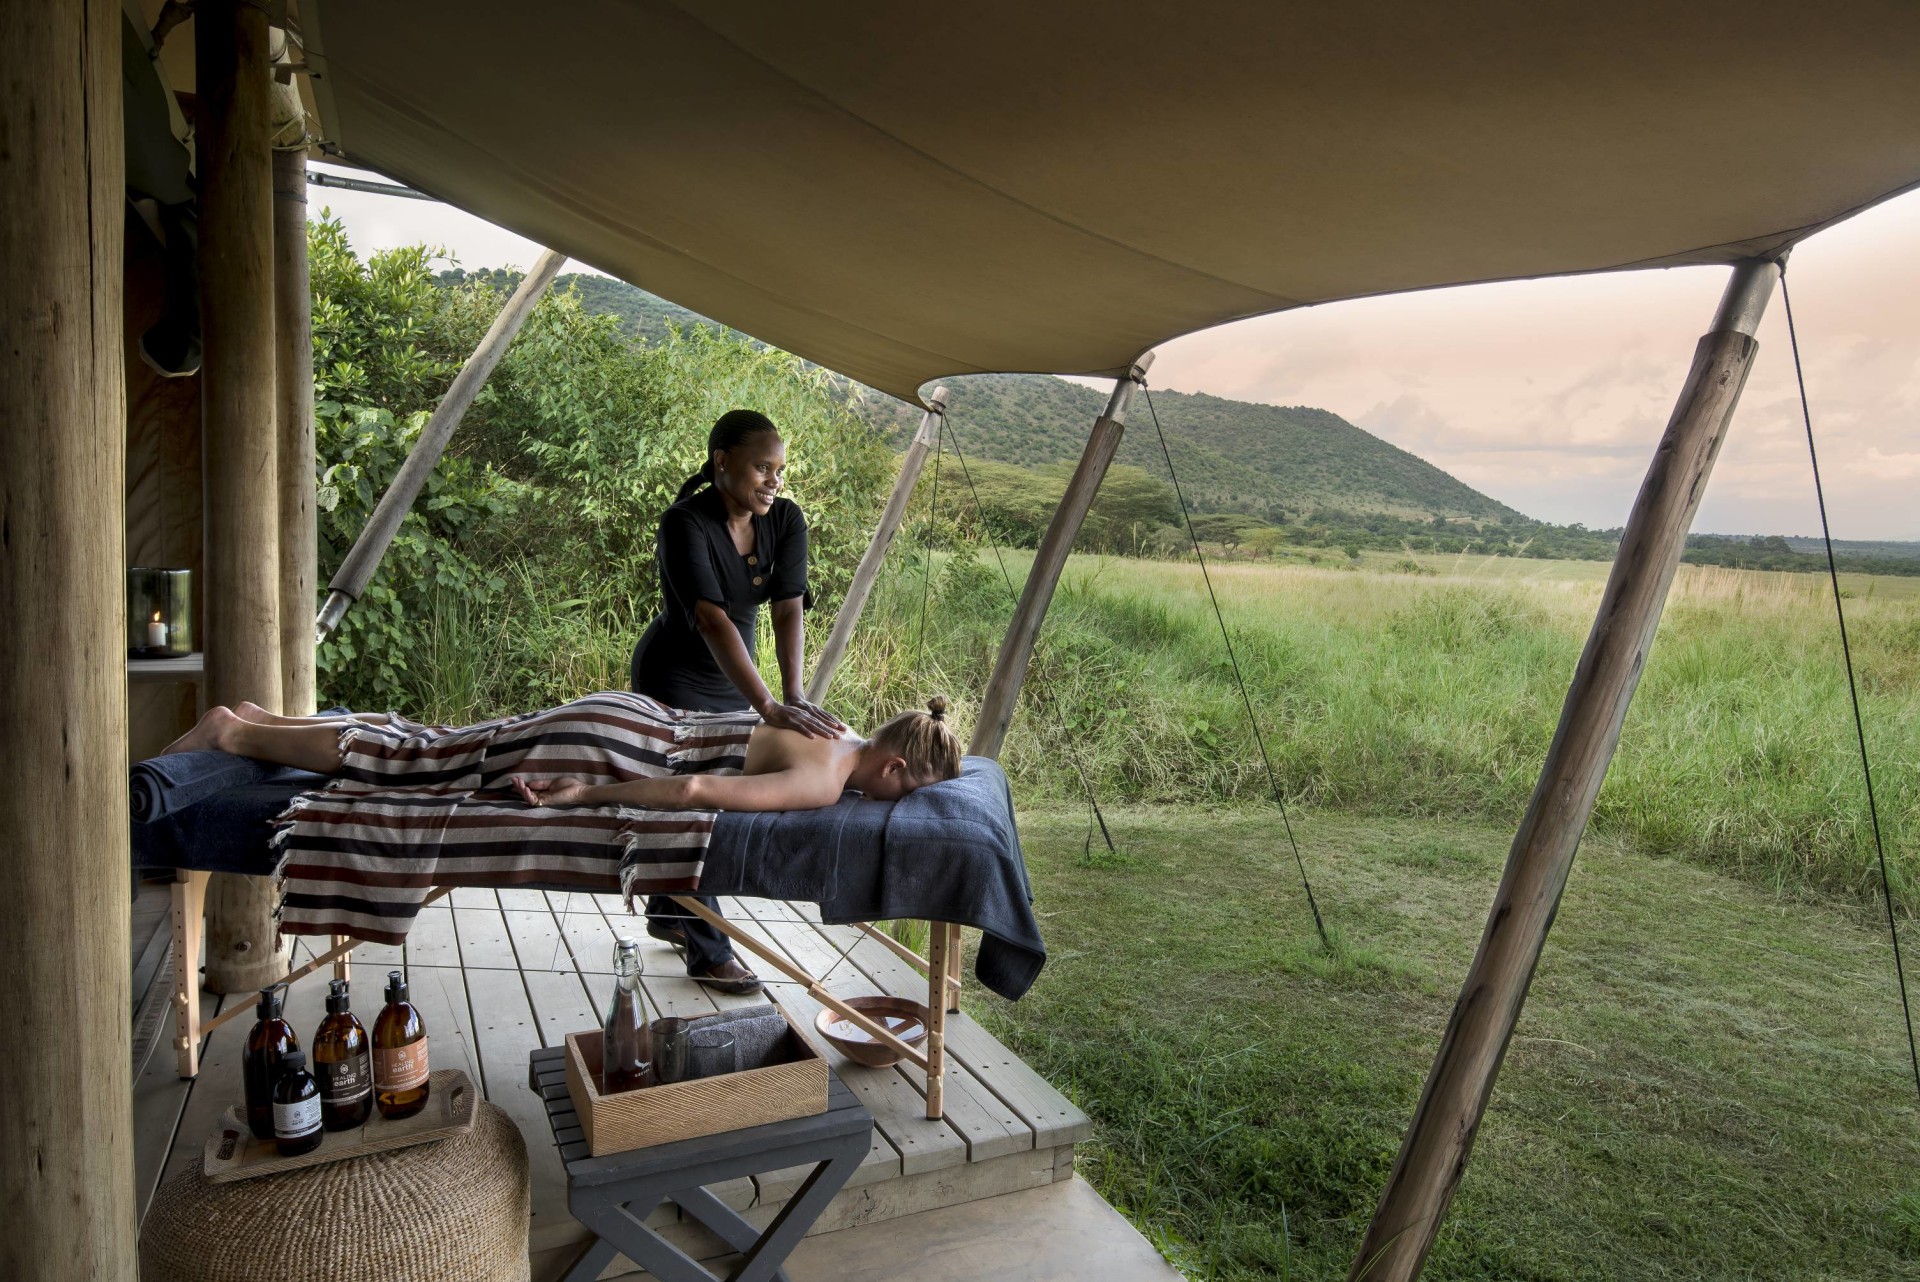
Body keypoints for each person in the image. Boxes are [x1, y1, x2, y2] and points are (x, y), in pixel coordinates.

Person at [629, 409, 840, 993]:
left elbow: (787, 607)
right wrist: (769, 707)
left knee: (714, 802)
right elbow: (710, 618)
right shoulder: (684, 523)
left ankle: (672, 915)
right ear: (722, 462)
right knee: (692, 804)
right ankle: (710, 949)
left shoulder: (785, 520)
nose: (774, 480)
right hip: (673, 679)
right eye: (761, 467)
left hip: (735, 681)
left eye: (779, 469)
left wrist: (793, 696)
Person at [162, 695, 962, 811]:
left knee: (440, 743)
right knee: (420, 764)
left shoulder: (839, 729)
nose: (897, 801)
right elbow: (690, 795)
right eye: (909, 790)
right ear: (893, 767)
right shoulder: (826, 781)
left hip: (630, 712)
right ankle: (233, 735)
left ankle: (261, 716)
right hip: (616, 748)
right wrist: (587, 798)